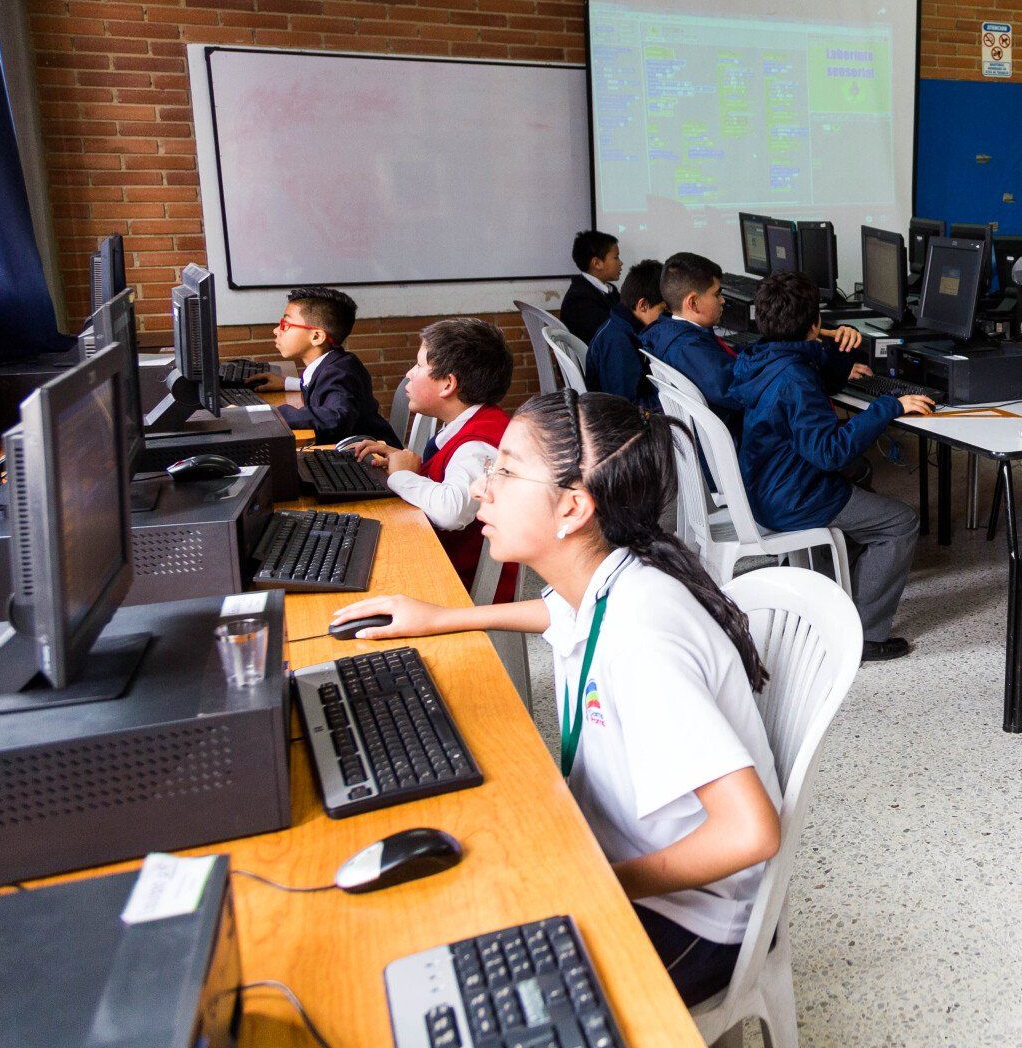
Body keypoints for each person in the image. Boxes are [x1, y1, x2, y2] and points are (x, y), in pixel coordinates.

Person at [330, 391, 780, 1007]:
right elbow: (557, 615)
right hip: (615, 851)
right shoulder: (606, 578)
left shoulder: (642, 640)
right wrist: (440, 617)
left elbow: (751, 832)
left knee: (457, 978)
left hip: (690, 915)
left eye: (506, 471)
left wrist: (590, 882)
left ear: (573, 507)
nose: (482, 487)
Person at [728, 271, 932, 661]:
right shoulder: (795, 379)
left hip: (764, 485)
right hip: (794, 497)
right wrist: (888, 406)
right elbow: (830, 453)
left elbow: (811, 378)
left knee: (861, 472)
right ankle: (864, 636)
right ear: (815, 323)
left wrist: (837, 349)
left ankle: (835, 588)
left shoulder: (761, 358)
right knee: (901, 522)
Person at [349, 318, 518, 603]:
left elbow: (451, 512)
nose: (409, 373)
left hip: (462, 586)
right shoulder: (469, 422)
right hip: (445, 563)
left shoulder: (477, 444)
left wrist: (401, 477)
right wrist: (405, 463)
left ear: (448, 384)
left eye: (418, 366)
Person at [643, 252, 863, 433]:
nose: (722, 300)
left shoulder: (674, 335)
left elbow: (743, 362)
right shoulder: (687, 349)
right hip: (749, 440)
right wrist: (807, 353)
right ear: (692, 302)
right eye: (716, 294)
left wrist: (798, 334)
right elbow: (748, 391)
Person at [261, 285, 399, 446]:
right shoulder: (335, 364)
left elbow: (336, 416)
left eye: (286, 324)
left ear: (317, 337)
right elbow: (325, 387)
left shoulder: (340, 373)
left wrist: (270, 413)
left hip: (375, 457)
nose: (276, 330)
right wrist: (287, 383)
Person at [588, 259, 666, 404]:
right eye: (663, 310)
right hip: (622, 415)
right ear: (643, 305)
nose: (666, 318)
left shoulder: (623, 325)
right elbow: (627, 404)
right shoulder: (618, 341)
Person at [560, 230, 622, 342]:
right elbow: (609, 333)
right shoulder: (579, 299)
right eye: (616, 257)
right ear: (597, 263)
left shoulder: (609, 290)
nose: (620, 263)